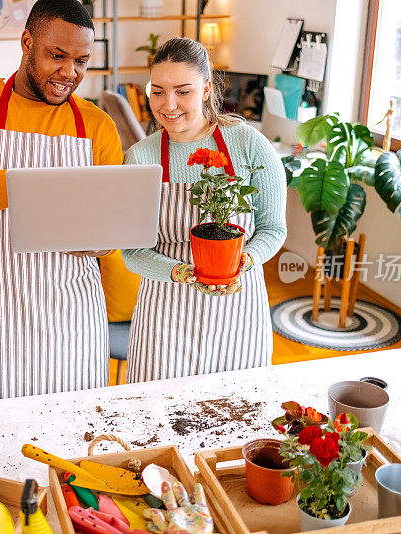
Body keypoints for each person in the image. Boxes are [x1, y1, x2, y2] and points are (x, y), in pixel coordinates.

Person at [0, 0, 123, 403]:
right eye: (57, 56)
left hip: (75, 312)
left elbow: (112, 227)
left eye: (81, 61)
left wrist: (104, 239)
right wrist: (53, 191)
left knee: (79, 427)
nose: (70, 73)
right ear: (26, 41)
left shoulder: (97, 125)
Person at [122, 37, 287, 382]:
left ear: (207, 88)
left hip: (238, 309)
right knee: (158, 419)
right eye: (158, 91)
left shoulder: (248, 144)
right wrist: (184, 272)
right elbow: (133, 253)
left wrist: (245, 259)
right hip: (165, 315)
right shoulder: (140, 157)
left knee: (238, 416)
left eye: (183, 91)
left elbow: (273, 228)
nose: (168, 105)